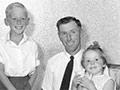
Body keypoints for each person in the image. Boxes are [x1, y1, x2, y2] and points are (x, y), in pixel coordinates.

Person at [0, 2, 40, 90]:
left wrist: (28, 87)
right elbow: (0, 72)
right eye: (14, 19)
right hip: (5, 85)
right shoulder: (1, 44)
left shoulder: (32, 45)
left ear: (27, 21)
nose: (19, 22)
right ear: (6, 21)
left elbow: (35, 71)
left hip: (26, 86)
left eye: (22, 18)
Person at [42, 16, 84, 90]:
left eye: (73, 32)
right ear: (59, 36)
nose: (69, 38)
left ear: (80, 32)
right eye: (64, 33)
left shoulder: (93, 61)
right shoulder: (52, 63)